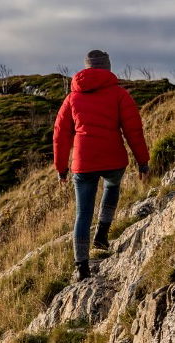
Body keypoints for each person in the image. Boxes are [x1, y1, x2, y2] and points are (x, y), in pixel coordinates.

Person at [53, 50, 150, 281]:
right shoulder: (119, 95)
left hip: (83, 163)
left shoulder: (72, 98)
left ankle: (81, 266)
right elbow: (133, 131)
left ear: (86, 68)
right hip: (113, 159)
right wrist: (142, 162)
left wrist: (61, 168)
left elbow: (60, 135)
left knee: (82, 214)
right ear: (107, 68)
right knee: (111, 187)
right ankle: (102, 235)